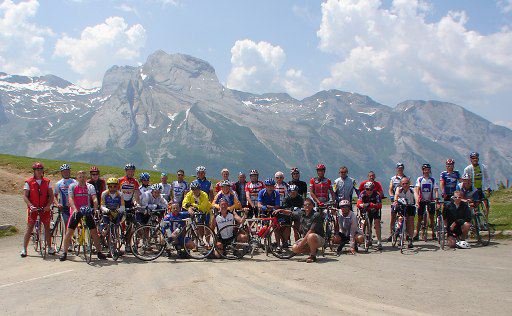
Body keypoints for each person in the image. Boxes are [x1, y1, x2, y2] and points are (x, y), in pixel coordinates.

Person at [59, 170, 106, 261]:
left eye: (84, 177)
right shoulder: (72, 186)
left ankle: (99, 252)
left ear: (86, 178)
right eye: (80, 177)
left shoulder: (89, 186)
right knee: (69, 232)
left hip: (87, 210)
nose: (82, 178)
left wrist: (95, 208)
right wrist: (74, 209)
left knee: (94, 232)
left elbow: (94, 198)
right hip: (76, 211)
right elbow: (71, 198)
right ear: (77, 178)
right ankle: (64, 253)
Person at [274, 198, 324, 263]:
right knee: (295, 248)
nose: (307, 206)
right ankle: (313, 249)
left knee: (310, 236)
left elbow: (311, 231)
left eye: (309, 204)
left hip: (318, 239)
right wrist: (281, 210)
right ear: (303, 206)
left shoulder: (316, 215)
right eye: (305, 205)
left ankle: (312, 256)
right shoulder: (302, 213)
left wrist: (302, 243)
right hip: (307, 238)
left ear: (312, 205)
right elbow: (292, 213)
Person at [21, 162, 54, 257]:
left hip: (44, 208)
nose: (39, 172)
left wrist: (48, 205)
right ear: (34, 171)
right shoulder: (28, 182)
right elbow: (25, 196)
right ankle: (24, 248)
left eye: (41, 170)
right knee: (29, 227)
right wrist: (31, 206)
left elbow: (51, 196)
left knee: (47, 227)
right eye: (37, 170)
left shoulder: (47, 181)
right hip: (33, 208)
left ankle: (50, 247)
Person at [100, 178, 125, 257]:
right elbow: (102, 206)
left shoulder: (120, 194)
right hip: (107, 212)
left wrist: (117, 211)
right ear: (108, 187)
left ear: (117, 186)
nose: (113, 188)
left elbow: (122, 207)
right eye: (110, 186)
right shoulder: (104, 194)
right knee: (107, 228)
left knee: (116, 230)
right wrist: (107, 211)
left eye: (115, 186)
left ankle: (115, 249)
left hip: (116, 212)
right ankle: (104, 241)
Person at [413, 164, 439, 241]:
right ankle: (417, 234)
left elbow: (436, 190)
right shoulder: (420, 179)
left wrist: (436, 198)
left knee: (431, 217)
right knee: (419, 218)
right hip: (422, 200)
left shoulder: (432, 179)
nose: (426, 171)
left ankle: (433, 234)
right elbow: (417, 189)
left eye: (428, 169)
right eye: (425, 169)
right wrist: (417, 199)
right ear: (423, 170)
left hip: (430, 200)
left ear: (429, 170)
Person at [119, 163, 140, 252]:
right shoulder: (120, 180)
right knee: (120, 223)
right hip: (121, 203)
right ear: (126, 171)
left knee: (130, 225)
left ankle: (128, 244)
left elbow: (136, 195)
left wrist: (136, 203)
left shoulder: (135, 182)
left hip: (129, 204)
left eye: (132, 171)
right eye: (129, 171)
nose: (131, 172)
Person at [356, 181, 383, 250]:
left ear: (373, 189)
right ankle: (366, 238)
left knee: (377, 223)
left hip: (375, 210)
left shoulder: (377, 194)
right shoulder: (362, 193)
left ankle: (379, 241)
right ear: (365, 189)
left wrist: (373, 205)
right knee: (365, 222)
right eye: (367, 189)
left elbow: (380, 205)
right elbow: (358, 202)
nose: (369, 191)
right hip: (366, 210)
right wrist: (361, 205)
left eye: (371, 189)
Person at [463, 152, 491, 217]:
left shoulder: (482, 167)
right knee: (475, 205)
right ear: (471, 159)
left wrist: (488, 187)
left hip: (480, 188)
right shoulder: (467, 169)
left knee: (486, 203)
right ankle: (476, 221)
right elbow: (464, 179)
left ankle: (485, 220)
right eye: (473, 158)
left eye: (476, 158)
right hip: (472, 190)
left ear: (478, 159)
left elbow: (487, 178)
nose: (475, 159)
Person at [393, 177, 416, 248]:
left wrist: (417, 202)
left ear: (409, 183)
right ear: (401, 184)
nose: (405, 185)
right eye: (403, 184)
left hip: (410, 205)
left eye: (406, 183)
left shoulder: (412, 189)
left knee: (411, 221)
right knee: (400, 217)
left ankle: (410, 239)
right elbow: (396, 195)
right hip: (401, 205)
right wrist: (396, 201)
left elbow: (416, 196)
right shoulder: (399, 189)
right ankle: (398, 232)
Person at [387, 162, 406, 242]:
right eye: (399, 168)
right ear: (396, 169)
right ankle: (391, 234)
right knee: (393, 217)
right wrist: (391, 196)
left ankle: (404, 233)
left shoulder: (406, 178)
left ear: (403, 168)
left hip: (404, 200)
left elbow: (409, 188)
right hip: (395, 199)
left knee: (405, 217)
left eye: (401, 168)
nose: (400, 169)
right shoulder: (393, 178)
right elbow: (390, 189)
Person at [54, 163, 76, 231]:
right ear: (61, 173)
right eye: (64, 172)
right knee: (67, 223)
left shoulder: (74, 182)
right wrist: (57, 204)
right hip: (64, 207)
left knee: (76, 223)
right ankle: (68, 240)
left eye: (67, 171)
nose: (66, 173)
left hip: (73, 207)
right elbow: (54, 195)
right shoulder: (59, 183)